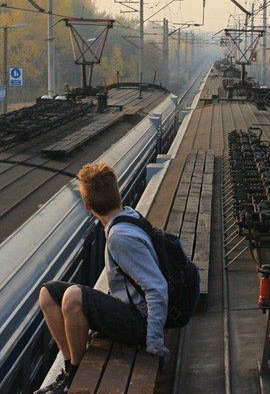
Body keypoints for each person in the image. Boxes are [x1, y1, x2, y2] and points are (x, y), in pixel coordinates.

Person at [35, 162, 170, 393]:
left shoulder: (120, 237)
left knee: (73, 297)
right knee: (48, 293)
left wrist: (155, 344)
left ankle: (74, 375)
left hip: (141, 324)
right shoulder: (127, 215)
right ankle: (69, 366)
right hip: (131, 311)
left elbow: (157, 288)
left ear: (87, 206)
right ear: (117, 193)